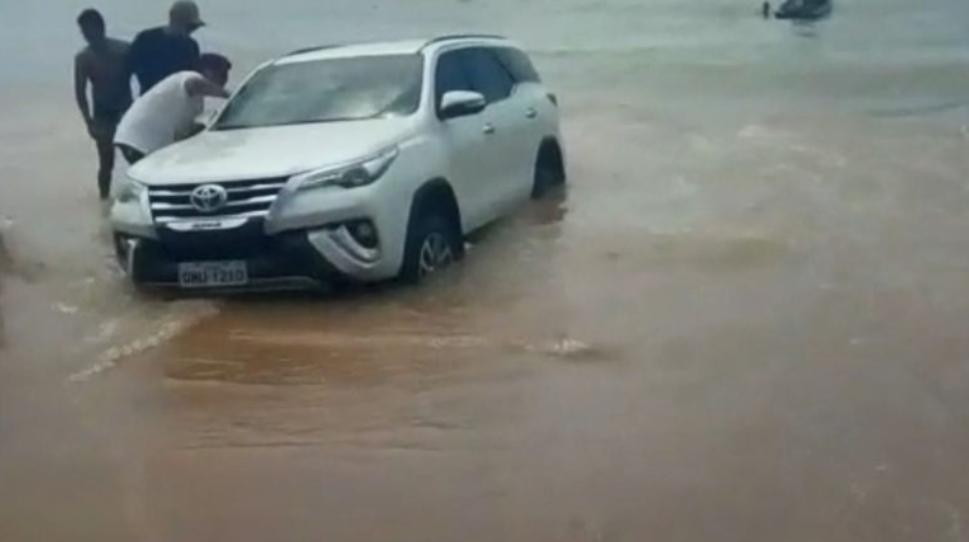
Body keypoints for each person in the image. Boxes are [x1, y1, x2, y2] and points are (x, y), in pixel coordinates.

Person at [114, 53, 232, 164]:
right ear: (208, 71)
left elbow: (183, 134)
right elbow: (195, 84)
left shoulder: (195, 102)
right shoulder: (188, 76)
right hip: (140, 140)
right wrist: (234, 96)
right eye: (222, 75)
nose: (225, 80)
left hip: (140, 141)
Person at [73, 9, 132, 199]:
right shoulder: (83, 58)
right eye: (83, 32)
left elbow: (142, 72)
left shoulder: (124, 49)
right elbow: (80, 92)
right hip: (102, 114)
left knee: (135, 158)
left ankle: (139, 196)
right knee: (106, 163)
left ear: (101, 28)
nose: (86, 36)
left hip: (126, 110)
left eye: (88, 31)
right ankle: (104, 202)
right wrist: (88, 121)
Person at [126, 0, 205, 94]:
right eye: (191, 27)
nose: (191, 31)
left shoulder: (145, 37)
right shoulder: (145, 39)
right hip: (158, 99)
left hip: (153, 99)